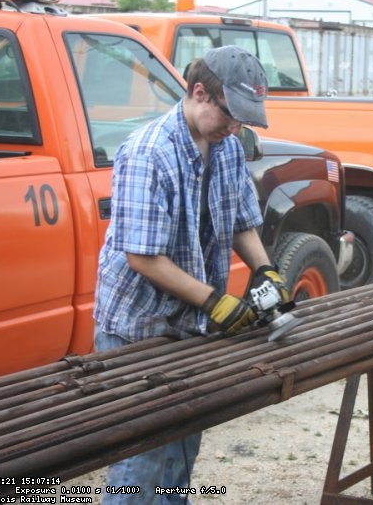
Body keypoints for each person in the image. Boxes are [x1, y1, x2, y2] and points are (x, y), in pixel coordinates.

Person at [93, 45, 290, 503]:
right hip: (138, 327)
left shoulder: (225, 146)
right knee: (142, 456)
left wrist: (266, 270)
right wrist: (214, 301)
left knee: (183, 444)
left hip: (193, 323)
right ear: (200, 93)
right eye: (230, 114)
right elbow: (142, 256)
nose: (236, 127)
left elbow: (241, 218)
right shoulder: (148, 153)